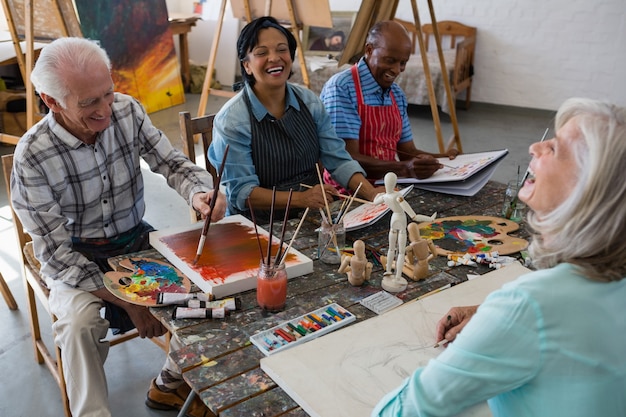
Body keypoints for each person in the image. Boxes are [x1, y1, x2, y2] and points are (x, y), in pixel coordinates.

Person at [10, 37, 224, 417]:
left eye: (107, 93)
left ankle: (172, 382)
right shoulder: (33, 156)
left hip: (133, 240)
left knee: (211, 294)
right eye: (89, 102)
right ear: (51, 101)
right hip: (76, 255)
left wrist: (199, 194)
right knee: (79, 325)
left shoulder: (127, 111)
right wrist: (130, 302)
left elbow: (171, 163)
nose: (105, 109)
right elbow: (57, 256)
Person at [372, 98, 626, 417]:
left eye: (556, 148)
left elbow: (401, 412)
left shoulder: (529, 305)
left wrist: (503, 323)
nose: (535, 146)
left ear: (588, 188)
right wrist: (491, 317)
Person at [208, 16, 381, 221]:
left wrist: (375, 195)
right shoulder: (233, 120)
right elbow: (242, 193)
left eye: (282, 49)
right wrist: (301, 198)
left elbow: (339, 161)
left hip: (309, 217)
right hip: (256, 224)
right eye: (262, 53)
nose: (274, 58)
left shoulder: (309, 102)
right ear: (246, 66)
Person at [320, 20, 459, 186]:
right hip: (349, 190)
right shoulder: (342, 88)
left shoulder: (396, 94)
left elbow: (408, 153)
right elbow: (346, 158)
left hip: (387, 183)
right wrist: (405, 169)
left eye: (403, 63)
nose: (396, 70)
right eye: (390, 60)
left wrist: (444, 158)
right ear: (369, 50)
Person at [373, 172, 436, 293]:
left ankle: (388, 270)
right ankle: (396, 276)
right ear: (394, 183)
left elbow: (374, 202)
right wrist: (430, 219)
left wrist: (379, 195)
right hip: (400, 219)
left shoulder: (384, 196)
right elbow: (413, 215)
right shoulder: (398, 197)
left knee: (392, 248)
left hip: (393, 220)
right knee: (401, 251)